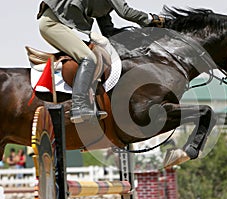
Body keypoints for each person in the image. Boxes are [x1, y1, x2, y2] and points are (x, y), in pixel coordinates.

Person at [37, 0, 165, 123]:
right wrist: (152, 18)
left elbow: (109, 31)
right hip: (52, 24)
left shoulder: (102, 5)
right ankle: (78, 106)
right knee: (88, 58)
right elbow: (125, 12)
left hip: (59, 24)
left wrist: (137, 35)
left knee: (99, 53)